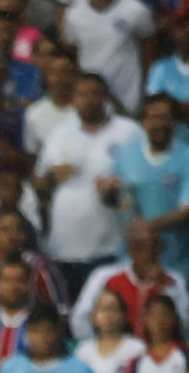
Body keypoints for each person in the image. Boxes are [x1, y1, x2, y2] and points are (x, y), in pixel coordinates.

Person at [35, 71, 144, 297]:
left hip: (110, 246)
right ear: (73, 98)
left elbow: (143, 179)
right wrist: (52, 177)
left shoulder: (128, 131)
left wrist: (118, 189)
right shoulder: (60, 133)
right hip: (63, 247)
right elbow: (40, 184)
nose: (88, 100)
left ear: (105, 96)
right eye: (82, 94)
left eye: (94, 94)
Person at [114, 94, 189, 288]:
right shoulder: (127, 155)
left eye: (166, 117)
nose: (160, 124)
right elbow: (123, 198)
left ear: (175, 122)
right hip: (134, 257)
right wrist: (109, 194)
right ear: (143, 122)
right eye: (154, 117)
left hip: (177, 260)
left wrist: (149, 227)